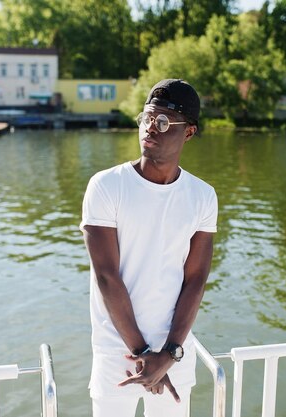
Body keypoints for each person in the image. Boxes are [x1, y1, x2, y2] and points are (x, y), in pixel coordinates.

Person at [80, 79, 218, 417]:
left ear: (188, 132)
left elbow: (196, 279)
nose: (149, 129)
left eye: (163, 122)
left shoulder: (202, 196)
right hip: (119, 356)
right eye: (146, 119)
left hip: (175, 357)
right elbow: (107, 278)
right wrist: (144, 355)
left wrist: (168, 354)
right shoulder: (106, 186)